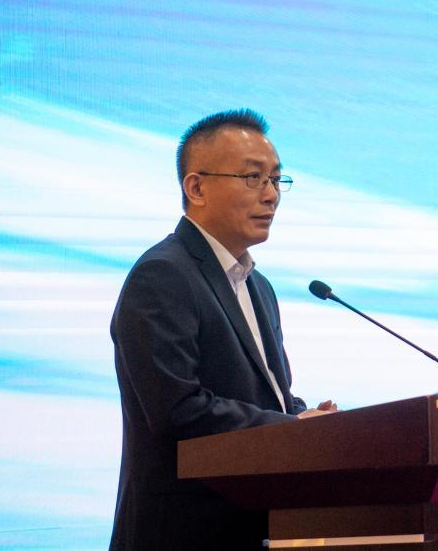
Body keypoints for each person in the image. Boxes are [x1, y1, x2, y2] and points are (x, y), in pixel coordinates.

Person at [109, 109, 335, 551]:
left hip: (256, 530)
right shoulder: (163, 275)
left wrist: (308, 419)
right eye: (253, 178)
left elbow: (265, 398)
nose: (270, 195)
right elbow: (178, 410)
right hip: (182, 536)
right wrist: (293, 427)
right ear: (196, 187)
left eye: (276, 180)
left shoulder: (258, 286)